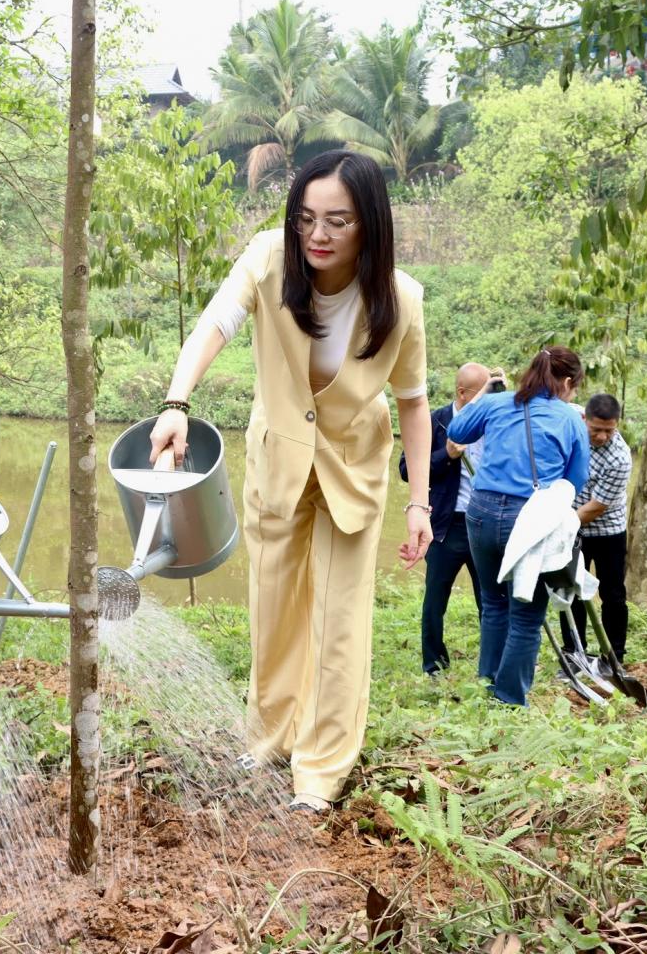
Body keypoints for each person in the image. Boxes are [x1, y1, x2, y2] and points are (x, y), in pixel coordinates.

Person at [150, 150, 431, 814]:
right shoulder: (269, 259)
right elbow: (215, 324)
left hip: (352, 470)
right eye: (306, 218)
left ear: (370, 225)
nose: (318, 236)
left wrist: (420, 502)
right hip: (278, 460)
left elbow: (415, 403)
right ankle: (270, 734)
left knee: (339, 621)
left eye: (338, 220)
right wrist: (175, 403)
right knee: (273, 607)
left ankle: (322, 768)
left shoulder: (402, 297)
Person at [446, 346, 591, 707]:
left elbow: (457, 430)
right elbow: (576, 479)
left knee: (494, 604)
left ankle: (487, 682)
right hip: (528, 520)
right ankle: (509, 698)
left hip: (479, 513)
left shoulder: (498, 403)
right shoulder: (570, 418)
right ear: (569, 382)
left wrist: (487, 390)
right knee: (526, 616)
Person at [404, 362, 493, 675]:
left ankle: (491, 667)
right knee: (435, 600)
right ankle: (434, 666)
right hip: (445, 525)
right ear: (462, 393)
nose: (487, 402)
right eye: (481, 395)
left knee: (491, 601)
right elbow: (406, 469)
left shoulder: (493, 422)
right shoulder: (436, 422)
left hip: (484, 524)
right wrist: (448, 455)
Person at [570, 393, 632, 665]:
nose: (602, 437)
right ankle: (574, 651)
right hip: (572, 526)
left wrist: (558, 524)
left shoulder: (619, 457)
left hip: (608, 531)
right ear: (585, 420)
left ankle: (614, 656)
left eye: (609, 430)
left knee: (613, 594)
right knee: (571, 589)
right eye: (596, 430)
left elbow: (597, 507)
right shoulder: (571, 427)